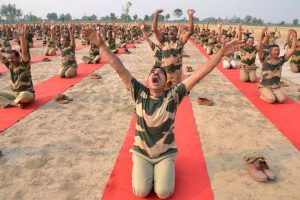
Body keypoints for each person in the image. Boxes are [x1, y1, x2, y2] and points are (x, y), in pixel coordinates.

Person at [89, 29, 243, 199]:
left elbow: (199, 74)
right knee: (141, 192)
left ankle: (164, 167)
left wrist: (221, 53)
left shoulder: (173, 96)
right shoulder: (139, 93)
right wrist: (102, 45)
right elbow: (119, 67)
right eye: (153, 73)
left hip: (165, 153)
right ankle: (145, 168)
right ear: (147, 81)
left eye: (160, 73)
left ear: (166, 82)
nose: (156, 73)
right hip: (142, 152)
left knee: (163, 193)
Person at [153, 9, 195, 87]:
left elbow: (191, 31)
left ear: (177, 33)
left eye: (174, 31)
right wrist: (156, 14)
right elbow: (154, 29)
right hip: (164, 74)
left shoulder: (180, 42)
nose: (171, 31)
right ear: (167, 33)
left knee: (175, 96)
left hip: (176, 76)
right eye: (170, 30)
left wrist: (190, 16)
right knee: (164, 95)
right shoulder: (163, 41)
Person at [257, 27, 297, 104]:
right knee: (272, 100)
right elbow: (259, 48)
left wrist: (294, 37)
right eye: (274, 50)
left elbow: (292, 50)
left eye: (278, 50)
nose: (277, 52)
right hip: (264, 86)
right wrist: (262, 32)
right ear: (270, 52)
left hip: (275, 87)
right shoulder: (264, 59)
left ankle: (270, 93)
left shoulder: (280, 60)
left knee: (282, 100)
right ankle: (261, 94)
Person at [0, 23, 35, 108]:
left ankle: (13, 102)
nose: (10, 60)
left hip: (27, 93)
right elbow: (1, 57)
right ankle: (15, 104)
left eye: (12, 58)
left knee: (24, 95)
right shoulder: (10, 65)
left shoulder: (24, 65)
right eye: (9, 58)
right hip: (14, 94)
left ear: (18, 57)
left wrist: (22, 36)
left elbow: (25, 53)